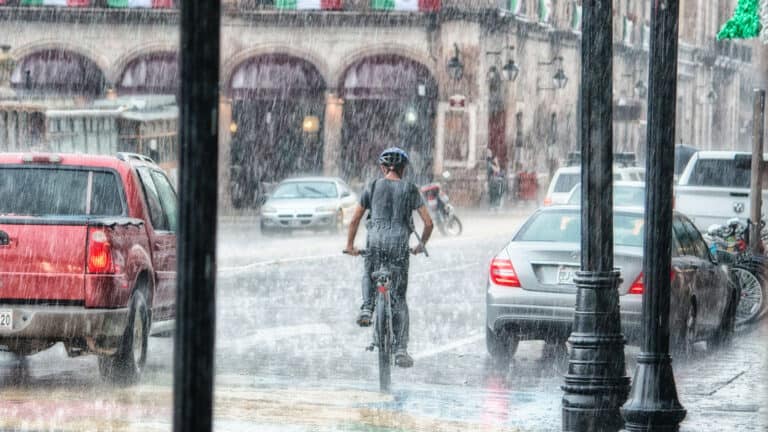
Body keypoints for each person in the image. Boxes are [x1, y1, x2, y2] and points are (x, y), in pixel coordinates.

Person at [343, 147, 433, 368]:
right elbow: (429, 223)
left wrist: (350, 245)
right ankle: (401, 348)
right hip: (399, 247)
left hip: (375, 243)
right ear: (403, 169)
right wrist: (421, 245)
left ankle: (367, 307)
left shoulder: (373, 186)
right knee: (399, 299)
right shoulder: (410, 189)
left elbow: (354, 220)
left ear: (383, 168)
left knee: (368, 271)